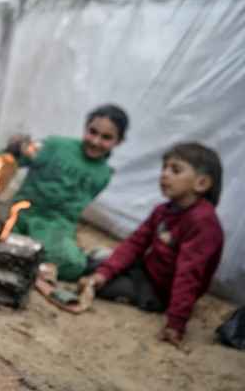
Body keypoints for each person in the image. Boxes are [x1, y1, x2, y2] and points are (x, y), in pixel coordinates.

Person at [80, 143, 224, 348]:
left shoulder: (203, 223)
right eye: (164, 168)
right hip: (145, 270)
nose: (164, 174)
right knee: (94, 268)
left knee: (105, 288)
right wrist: (103, 273)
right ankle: (103, 270)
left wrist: (176, 322)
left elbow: (188, 275)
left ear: (201, 183)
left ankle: (138, 295)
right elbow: (135, 244)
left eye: (175, 170)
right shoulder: (163, 210)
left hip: (160, 290)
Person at [9, 104, 129, 281]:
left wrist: (65, 234)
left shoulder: (103, 174)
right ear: (85, 128)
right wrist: (15, 147)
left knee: (73, 266)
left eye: (106, 137)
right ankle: (39, 263)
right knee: (1, 243)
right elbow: (13, 160)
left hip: (55, 227)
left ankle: (60, 256)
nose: (96, 141)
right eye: (92, 132)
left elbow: (75, 210)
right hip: (23, 215)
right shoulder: (54, 145)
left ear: (119, 142)